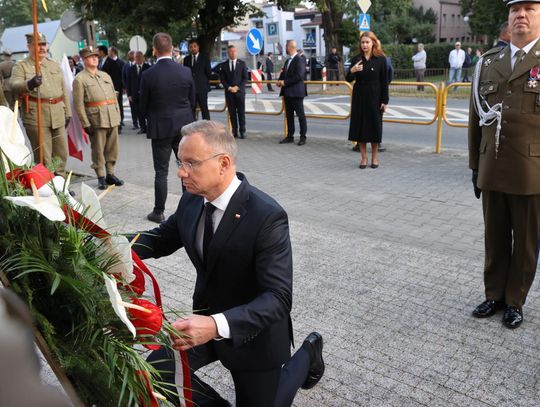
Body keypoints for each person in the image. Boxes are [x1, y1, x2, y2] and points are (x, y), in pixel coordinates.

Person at [132, 120, 325, 407]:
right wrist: (105, 243)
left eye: (191, 163)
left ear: (223, 163)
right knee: (154, 372)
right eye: (180, 161)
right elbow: (160, 239)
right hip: (203, 322)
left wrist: (215, 324)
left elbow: (278, 299)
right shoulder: (192, 199)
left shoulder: (267, 217)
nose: (181, 171)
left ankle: (309, 352)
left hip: (253, 335)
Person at [469, 0, 540, 329]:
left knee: (525, 242)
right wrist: (474, 165)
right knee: (494, 237)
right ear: (508, 18)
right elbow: (475, 119)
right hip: (492, 166)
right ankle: (494, 293)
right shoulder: (488, 62)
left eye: (530, 9)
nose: (521, 15)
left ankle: (515, 300)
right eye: (515, 10)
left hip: (531, 171)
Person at [139, 32, 195, 223]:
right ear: (171, 49)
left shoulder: (147, 75)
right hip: (184, 128)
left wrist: (151, 118)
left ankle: (159, 211)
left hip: (160, 129)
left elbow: (142, 105)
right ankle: (190, 209)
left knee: (161, 172)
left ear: (154, 50)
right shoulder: (185, 72)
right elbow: (192, 100)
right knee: (186, 168)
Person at [11, 33, 71, 176]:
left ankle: (61, 183)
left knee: (61, 152)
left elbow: (64, 91)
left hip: (57, 112)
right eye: (38, 45)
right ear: (29, 46)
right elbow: (14, 85)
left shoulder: (54, 65)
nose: (41, 47)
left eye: (43, 44)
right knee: (44, 155)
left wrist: (67, 112)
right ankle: (48, 185)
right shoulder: (21, 66)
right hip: (36, 114)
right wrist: (29, 84)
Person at [73, 47, 124, 190]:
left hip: (111, 117)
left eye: (96, 56)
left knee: (112, 148)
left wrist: (118, 114)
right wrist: (85, 123)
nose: (95, 58)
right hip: (96, 119)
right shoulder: (80, 79)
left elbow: (114, 97)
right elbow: (78, 104)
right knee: (98, 149)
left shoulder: (105, 75)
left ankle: (110, 174)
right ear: (84, 60)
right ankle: (101, 175)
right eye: (91, 56)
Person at [346, 31, 389, 169]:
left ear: (373, 43)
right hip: (359, 96)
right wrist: (352, 70)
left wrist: (384, 101)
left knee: (374, 128)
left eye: (367, 42)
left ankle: (375, 158)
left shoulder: (380, 59)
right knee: (361, 128)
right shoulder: (356, 59)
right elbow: (348, 79)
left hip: (375, 96)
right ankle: (363, 158)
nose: (364, 45)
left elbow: (384, 81)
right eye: (363, 42)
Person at [277, 40, 308, 146]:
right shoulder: (288, 61)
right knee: (289, 115)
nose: (285, 48)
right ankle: (290, 136)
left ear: (290, 47)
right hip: (287, 93)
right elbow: (284, 73)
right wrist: (280, 81)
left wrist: (285, 82)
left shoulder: (299, 59)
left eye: (286, 46)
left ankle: (303, 137)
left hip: (296, 93)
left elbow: (299, 76)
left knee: (300, 115)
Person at [220, 45, 249, 139]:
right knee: (232, 113)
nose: (232, 53)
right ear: (228, 53)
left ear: (236, 52)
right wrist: (229, 87)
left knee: (241, 112)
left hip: (239, 92)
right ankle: (234, 131)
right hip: (229, 93)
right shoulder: (223, 65)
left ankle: (242, 131)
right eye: (230, 52)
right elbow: (222, 79)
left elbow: (245, 78)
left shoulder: (242, 64)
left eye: (233, 51)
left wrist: (237, 87)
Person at [183, 39, 212, 120]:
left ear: (198, 47)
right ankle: (192, 128)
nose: (193, 48)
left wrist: (203, 82)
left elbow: (208, 72)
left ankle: (207, 128)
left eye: (195, 46)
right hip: (190, 89)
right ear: (189, 48)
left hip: (202, 88)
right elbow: (186, 74)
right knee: (191, 109)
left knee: (204, 109)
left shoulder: (204, 57)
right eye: (191, 47)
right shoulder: (186, 59)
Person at [126, 51, 150, 134]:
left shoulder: (148, 67)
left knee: (148, 111)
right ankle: (143, 128)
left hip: (146, 94)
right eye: (136, 57)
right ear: (134, 58)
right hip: (135, 94)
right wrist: (129, 94)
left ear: (143, 58)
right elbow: (128, 83)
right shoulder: (131, 69)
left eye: (140, 57)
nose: (138, 58)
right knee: (139, 112)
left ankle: (149, 127)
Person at [122, 50, 137, 129]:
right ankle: (135, 123)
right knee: (133, 107)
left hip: (139, 90)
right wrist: (125, 88)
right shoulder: (126, 66)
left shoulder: (138, 65)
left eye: (131, 54)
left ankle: (143, 124)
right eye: (129, 55)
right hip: (130, 90)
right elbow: (123, 78)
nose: (130, 56)